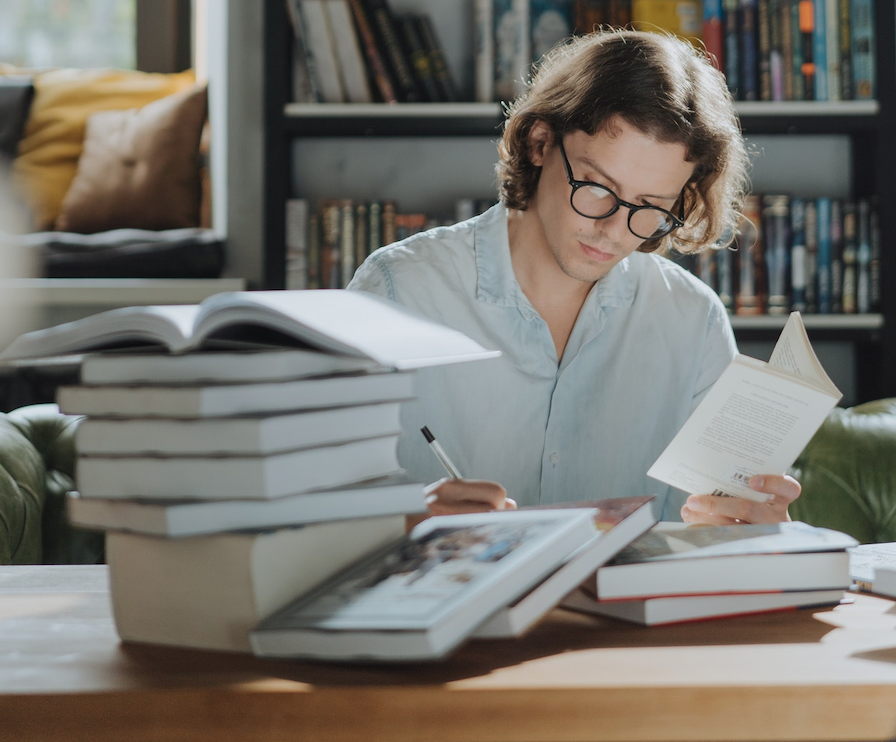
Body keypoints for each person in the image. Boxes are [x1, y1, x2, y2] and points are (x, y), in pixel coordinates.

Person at [347, 29, 800, 526]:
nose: (612, 229)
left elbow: (716, 538)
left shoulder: (692, 321)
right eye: (597, 187)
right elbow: (313, 518)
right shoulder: (396, 291)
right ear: (540, 142)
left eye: (650, 207)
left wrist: (752, 530)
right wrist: (399, 520)